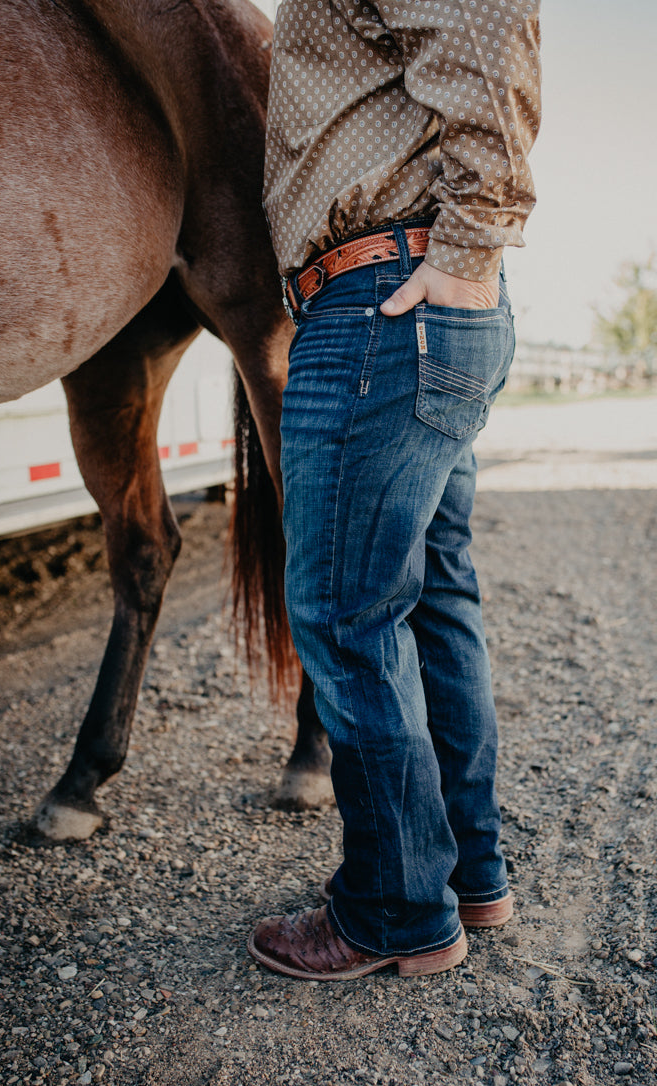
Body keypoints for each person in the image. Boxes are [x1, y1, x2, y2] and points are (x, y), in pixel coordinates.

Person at [247, 0, 542, 980]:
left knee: (343, 614)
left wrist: (467, 250)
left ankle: (393, 906)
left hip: (388, 301)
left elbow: (481, 22)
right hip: (407, 303)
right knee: (432, 602)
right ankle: (467, 876)